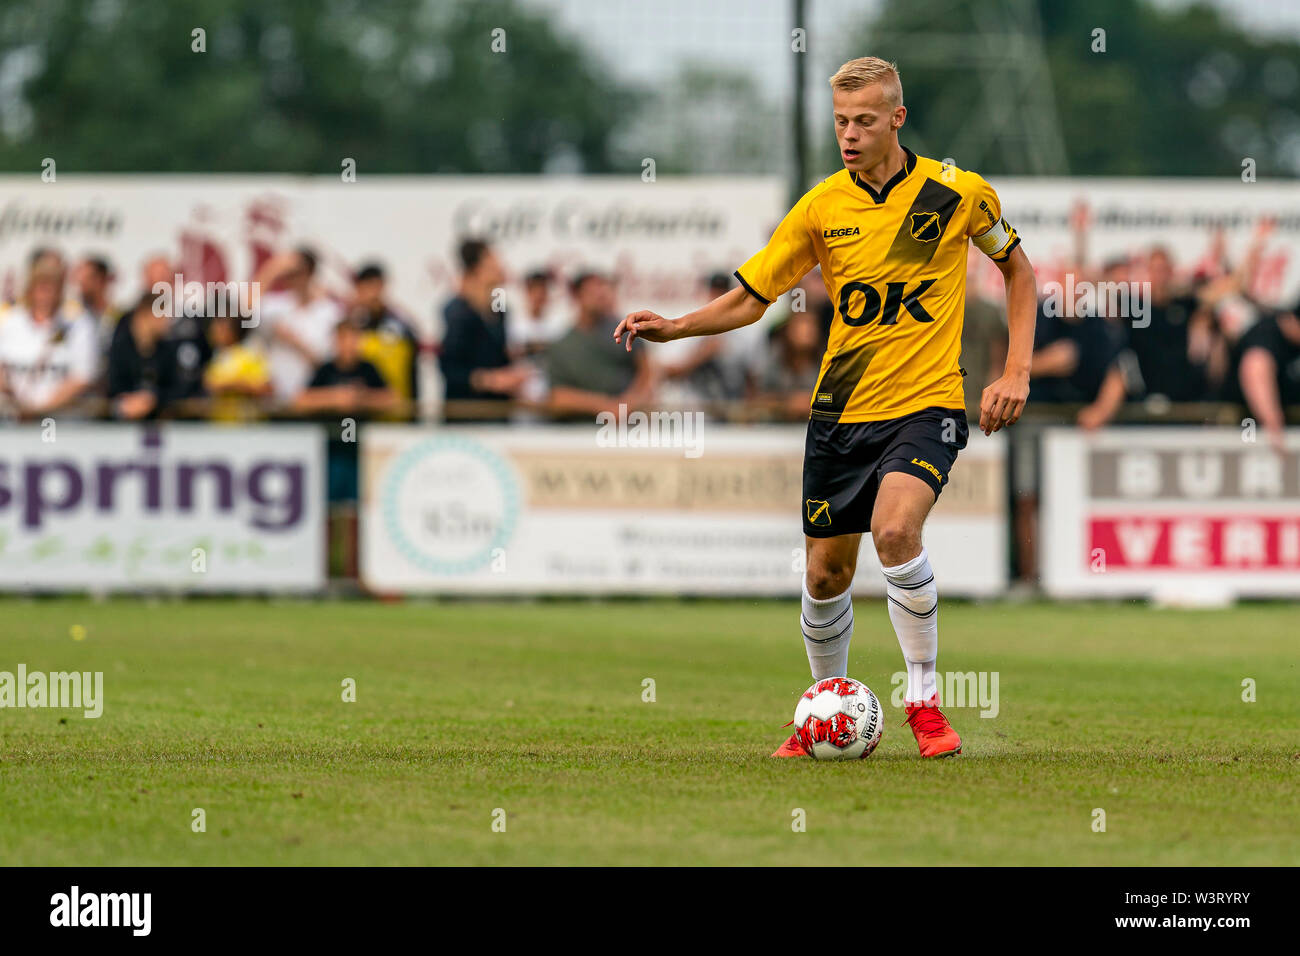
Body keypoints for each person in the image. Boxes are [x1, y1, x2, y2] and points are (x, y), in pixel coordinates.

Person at [614, 57, 1036, 759]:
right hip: (840, 413)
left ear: (896, 119)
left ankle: (926, 706)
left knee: (897, 532)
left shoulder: (956, 192)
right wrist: (678, 325)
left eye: (865, 121)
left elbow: (1017, 269)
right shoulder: (820, 208)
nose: (849, 134)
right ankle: (821, 716)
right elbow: (753, 297)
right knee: (824, 576)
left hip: (926, 403)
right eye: (841, 122)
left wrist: (1014, 369)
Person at [438, 239, 532, 417]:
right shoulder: (458, 312)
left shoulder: (500, 311)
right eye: (492, 259)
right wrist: (490, 380)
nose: (500, 265)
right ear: (477, 269)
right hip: (467, 413)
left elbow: (497, 356)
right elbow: (449, 367)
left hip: (497, 412)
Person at [0, 257, 100, 419]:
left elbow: (82, 375)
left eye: (52, 289)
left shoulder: (77, 323)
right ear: (30, 290)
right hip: (14, 416)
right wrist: (17, 403)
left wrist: (42, 409)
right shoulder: (10, 320)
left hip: (63, 416)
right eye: (41, 288)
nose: (46, 296)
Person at [546, 271, 653, 419]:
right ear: (577, 296)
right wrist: (605, 406)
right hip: (578, 432)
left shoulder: (626, 333)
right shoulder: (562, 346)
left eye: (602, 290)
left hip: (627, 427)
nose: (599, 296)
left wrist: (628, 403)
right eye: (592, 291)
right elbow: (557, 397)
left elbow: (648, 374)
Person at [254, 247, 343, 406]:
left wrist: (295, 343)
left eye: (296, 273)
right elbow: (245, 311)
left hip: (313, 402)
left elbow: (332, 365)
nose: (291, 279)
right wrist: (272, 270)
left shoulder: (330, 313)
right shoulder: (276, 306)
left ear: (310, 273)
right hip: (275, 402)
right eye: (288, 274)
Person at [350, 262, 420, 417]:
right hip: (362, 416)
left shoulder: (401, 325)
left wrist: (414, 412)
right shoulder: (351, 327)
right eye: (367, 287)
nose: (373, 294)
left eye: (377, 286)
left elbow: (413, 371)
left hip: (398, 415)